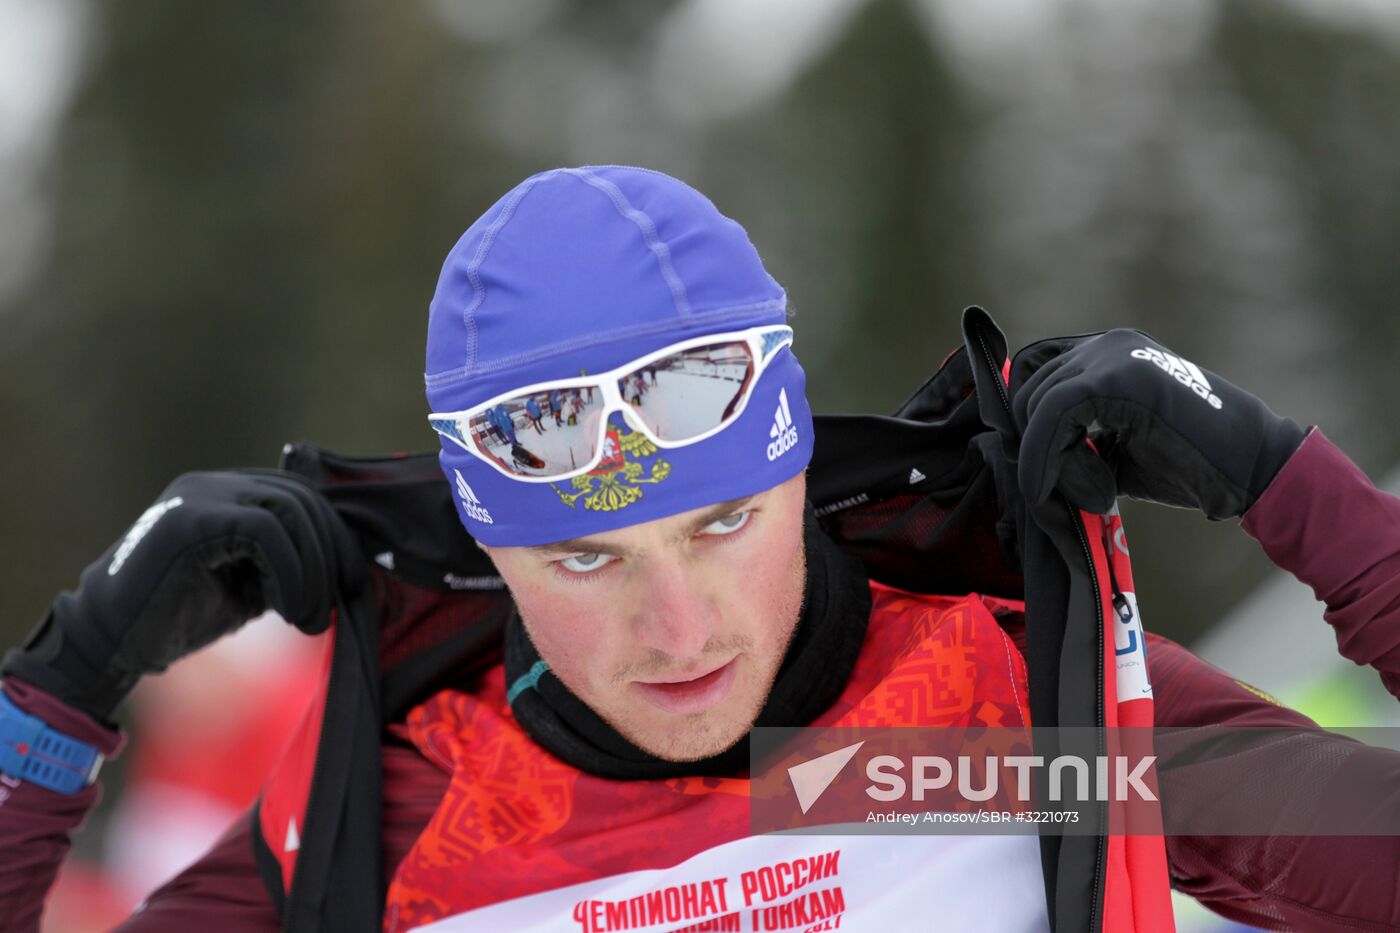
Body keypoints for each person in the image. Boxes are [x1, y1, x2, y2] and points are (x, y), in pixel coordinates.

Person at [3, 166, 1399, 932]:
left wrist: (1285, 482)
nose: (679, 630)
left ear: (794, 473)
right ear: (495, 552)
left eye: (721, 522)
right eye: (587, 560)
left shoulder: (993, 720)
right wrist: (64, 684)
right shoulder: (409, 813)